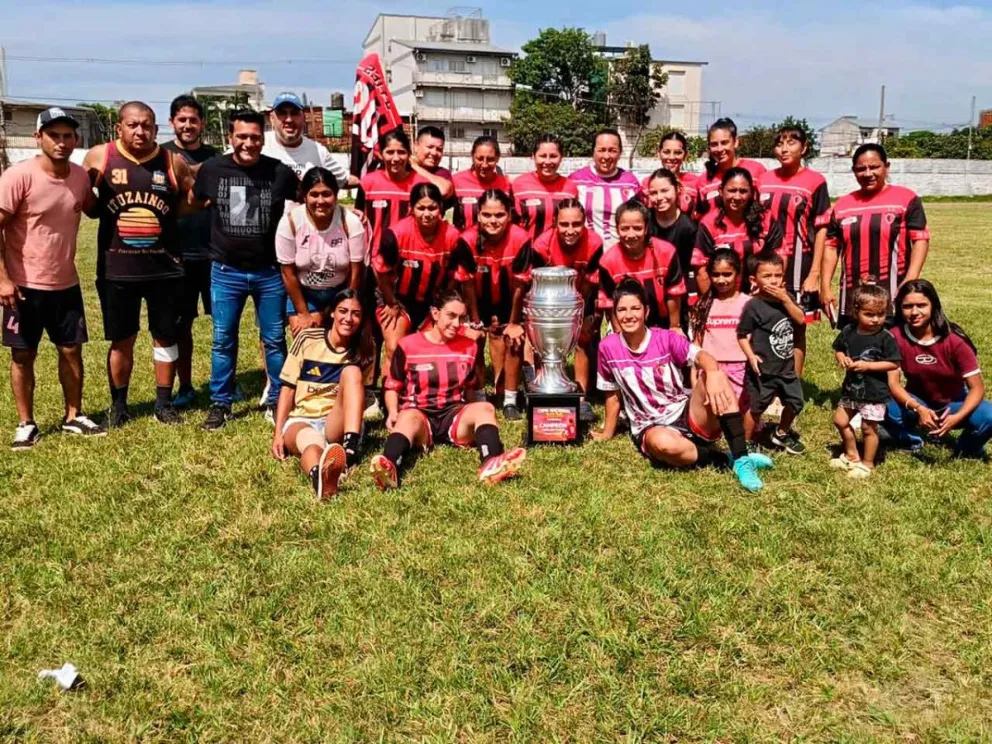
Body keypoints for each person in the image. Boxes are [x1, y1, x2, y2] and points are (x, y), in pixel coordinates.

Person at [592, 278, 774, 493]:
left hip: (686, 412)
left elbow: (703, 357)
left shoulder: (665, 338)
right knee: (664, 445)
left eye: (635, 308)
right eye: (622, 310)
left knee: (716, 376)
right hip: (651, 426)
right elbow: (611, 395)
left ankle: (743, 459)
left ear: (646, 311)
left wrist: (713, 372)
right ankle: (725, 458)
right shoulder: (608, 347)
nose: (629, 315)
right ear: (614, 314)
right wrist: (607, 432)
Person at [82, 101, 195, 427]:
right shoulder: (100, 157)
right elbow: (88, 205)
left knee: (166, 336)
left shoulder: (172, 161)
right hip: (117, 269)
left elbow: (188, 202)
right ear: (120, 128)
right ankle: (119, 406)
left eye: (147, 125)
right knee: (122, 338)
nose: (140, 131)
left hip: (165, 268)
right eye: (133, 125)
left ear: (156, 129)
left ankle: (164, 402)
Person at [0, 108, 105, 449]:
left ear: (75, 139)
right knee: (22, 355)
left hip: (66, 283)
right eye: (54, 135)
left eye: (67, 136)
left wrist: (109, 179)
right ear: (38, 138)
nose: (61, 142)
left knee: (72, 351)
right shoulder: (19, 177)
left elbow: (93, 207)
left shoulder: (79, 176)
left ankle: (73, 416)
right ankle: (26, 423)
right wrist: (3, 280)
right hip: (23, 285)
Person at [193, 109, 298, 431]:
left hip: (270, 272)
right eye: (242, 136)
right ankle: (221, 403)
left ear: (263, 138)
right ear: (230, 137)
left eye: (255, 137)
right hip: (226, 272)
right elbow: (194, 200)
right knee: (223, 340)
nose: (248, 143)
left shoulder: (280, 172)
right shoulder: (212, 170)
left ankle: (277, 399)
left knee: (274, 340)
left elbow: (311, 202)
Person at [370, 288, 528, 489]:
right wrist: (393, 412)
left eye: (461, 318)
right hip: (419, 414)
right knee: (407, 418)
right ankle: (390, 465)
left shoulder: (468, 347)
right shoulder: (408, 345)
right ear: (435, 314)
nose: (456, 324)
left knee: (485, 408)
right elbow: (393, 385)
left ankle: (491, 462)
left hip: (453, 415)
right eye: (451, 316)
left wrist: (477, 422)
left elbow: (470, 389)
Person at [271, 290, 371, 500]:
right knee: (311, 440)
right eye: (343, 311)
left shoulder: (364, 348)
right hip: (302, 418)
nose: (348, 319)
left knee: (352, 372)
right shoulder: (308, 339)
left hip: (335, 421)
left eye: (356, 314)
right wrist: (278, 433)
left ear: (362, 319)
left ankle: (349, 450)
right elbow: (287, 388)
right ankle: (320, 477)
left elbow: (359, 397)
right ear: (332, 313)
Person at [373, 183, 471, 382]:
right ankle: (389, 396)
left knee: (430, 348)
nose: (427, 214)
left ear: (441, 209)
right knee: (395, 347)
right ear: (412, 208)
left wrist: (442, 305)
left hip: (431, 302)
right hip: (397, 298)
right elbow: (381, 272)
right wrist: (391, 302)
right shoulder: (397, 233)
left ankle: (422, 392)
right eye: (421, 208)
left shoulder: (452, 236)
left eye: (432, 208)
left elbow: (455, 275)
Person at [821, 144, 930, 324]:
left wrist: (911, 279)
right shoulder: (842, 205)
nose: (868, 173)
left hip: (894, 293)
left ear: (886, 167)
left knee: (893, 348)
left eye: (874, 167)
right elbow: (831, 248)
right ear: (853, 171)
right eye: (861, 169)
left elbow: (920, 241)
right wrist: (825, 287)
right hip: (853, 296)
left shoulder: (906, 198)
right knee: (853, 348)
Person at [885, 279, 991, 459]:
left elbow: (977, 388)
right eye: (908, 306)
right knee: (881, 403)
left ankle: (966, 449)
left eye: (921, 305)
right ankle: (913, 442)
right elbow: (893, 384)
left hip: (954, 404)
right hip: (917, 402)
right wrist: (919, 409)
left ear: (933, 305)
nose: (914, 312)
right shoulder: (894, 337)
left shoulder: (954, 340)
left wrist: (957, 417)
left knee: (989, 416)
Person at [757, 125, 830, 375]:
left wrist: (815, 274)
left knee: (797, 326)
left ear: (804, 147)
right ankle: (768, 382)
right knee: (765, 323)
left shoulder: (816, 181)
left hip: (800, 266)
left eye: (791, 143)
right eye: (779, 143)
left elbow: (822, 228)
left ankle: (792, 387)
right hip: (767, 265)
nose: (784, 148)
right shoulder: (764, 179)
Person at [456, 189, 535, 420]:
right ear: (478, 215)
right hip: (477, 302)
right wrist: (475, 321)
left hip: (510, 301)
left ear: (509, 215)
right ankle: (480, 397)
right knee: (474, 339)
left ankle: (510, 399)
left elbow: (521, 285)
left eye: (499, 215)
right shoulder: (467, 240)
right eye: (487, 215)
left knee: (514, 338)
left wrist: (513, 322)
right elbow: (467, 284)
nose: (493, 221)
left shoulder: (521, 238)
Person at [161, 95, 219, 408]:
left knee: (224, 324)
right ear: (172, 123)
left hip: (214, 253)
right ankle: (185, 385)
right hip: (176, 255)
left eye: (193, 120)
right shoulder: (162, 156)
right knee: (180, 325)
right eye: (181, 120)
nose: (187, 125)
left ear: (202, 124)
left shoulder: (216, 157)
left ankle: (226, 382)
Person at [532, 198, 603, 421]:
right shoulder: (541, 245)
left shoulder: (594, 242)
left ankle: (580, 397)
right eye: (564, 224)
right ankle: (542, 389)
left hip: (582, 296)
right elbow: (535, 283)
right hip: (548, 299)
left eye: (576, 224)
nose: (570, 230)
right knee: (542, 340)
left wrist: (581, 314)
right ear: (555, 223)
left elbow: (592, 282)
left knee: (583, 339)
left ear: (584, 224)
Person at [275, 167, 365, 337]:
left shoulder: (350, 222)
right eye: (314, 194)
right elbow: (287, 273)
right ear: (304, 196)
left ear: (336, 194)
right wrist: (304, 313)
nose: (321, 200)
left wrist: (347, 304)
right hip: (304, 293)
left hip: (340, 290)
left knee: (341, 340)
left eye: (326, 194)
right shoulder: (290, 222)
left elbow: (357, 271)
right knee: (306, 337)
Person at [830, 284, 901, 478]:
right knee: (840, 420)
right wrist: (841, 358)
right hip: (851, 390)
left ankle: (867, 463)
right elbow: (838, 348)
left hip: (874, 393)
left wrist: (868, 366)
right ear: (856, 312)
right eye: (869, 314)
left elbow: (893, 363)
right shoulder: (848, 331)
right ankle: (852, 454)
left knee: (868, 428)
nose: (876, 319)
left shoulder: (885, 338)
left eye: (881, 314)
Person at [737, 252, 806, 452]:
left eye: (778, 275)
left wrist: (785, 299)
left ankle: (781, 433)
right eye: (767, 276)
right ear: (754, 280)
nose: (773, 280)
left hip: (786, 367)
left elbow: (801, 320)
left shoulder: (787, 299)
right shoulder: (753, 306)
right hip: (763, 369)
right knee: (757, 407)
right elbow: (742, 335)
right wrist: (751, 356)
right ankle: (746, 444)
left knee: (796, 402)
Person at [692, 167, 783, 297]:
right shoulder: (709, 223)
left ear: (751, 192)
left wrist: (768, 292)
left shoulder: (765, 219)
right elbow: (701, 269)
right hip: (723, 300)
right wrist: (713, 303)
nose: (737, 196)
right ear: (721, 191)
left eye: (743, 191)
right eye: (732, 190)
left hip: (761, 297)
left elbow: (779, 258)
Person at [597, 200, 685, 331]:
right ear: (617, 229)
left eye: (637, 228)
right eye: (625, 229)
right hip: (629, 328)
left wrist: (674, 327)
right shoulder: (607, 262)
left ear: (646, 228)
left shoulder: (666, 251)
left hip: (663, 324)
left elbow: (674, 292)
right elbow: (611, 304)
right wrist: (620, 337)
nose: (631, 235)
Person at [355, 129, 437, 260]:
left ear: (409, 154)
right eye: (390, 152)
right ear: (381, 154)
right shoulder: (367, 183)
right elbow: (357, 219)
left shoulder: (421, 184)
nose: (396, 158)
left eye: (401, 152)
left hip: (409, 258)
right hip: (374, 259)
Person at [691, 249, 750, 410]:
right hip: (712, 370)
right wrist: (694, 377)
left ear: (737, 274)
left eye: (727, 274)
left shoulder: (749, 304)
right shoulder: (702, 305)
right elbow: (697, 344)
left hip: (741, 370)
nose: (721, 280)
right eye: (716, 274)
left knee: (737, 413)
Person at [263, 91, 357, 188]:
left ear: (303, 117)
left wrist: (371, 180)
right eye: (282, 113)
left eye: (294, 113)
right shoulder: (260, 145)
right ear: (272, 118)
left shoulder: (318, 151)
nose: (289, 119)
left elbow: (344, 180)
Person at [568, 129, 642, 244]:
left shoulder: (630, 182)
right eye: (601, 150)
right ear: (593, 151)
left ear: (620, 153)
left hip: (619, 255)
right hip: (586, 255)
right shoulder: (576, 180)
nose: (606, 156)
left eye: (612, 151)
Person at [644, 167, 698, 314]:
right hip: (649, 292)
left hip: (678, 294)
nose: (659, 197)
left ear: (677, 189)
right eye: (654, 193)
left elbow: (690, 269)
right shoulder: (644, 221)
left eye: (664, 191)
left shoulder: (688, 227)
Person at [512, 133, 579, 241]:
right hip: (528, 253)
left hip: (559, 255)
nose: (547, 162)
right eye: (543, 156)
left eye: (553, 156)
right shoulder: (518, 185)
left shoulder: (570, 188)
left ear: (561, 157)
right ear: (533, 156)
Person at [695, 118, 766, 215]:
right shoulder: (704, 180)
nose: (719, 149)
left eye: (724, 143)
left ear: (735, 142)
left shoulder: (757, 170)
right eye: (714, 144)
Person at [451, 136, 513, 231]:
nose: (484, 164)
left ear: (498, 158)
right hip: (464, 244)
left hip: (497, 245)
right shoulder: (456, 181)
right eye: (480, 159)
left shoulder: (507, 184)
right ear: (472, 156)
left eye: (490, 159)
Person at [642, 131, 699, 217]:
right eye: (666, 152)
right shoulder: (647, 183)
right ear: (659, 153)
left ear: (685, 155)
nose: (671, 157)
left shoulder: (695, 182)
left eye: (678, 152)